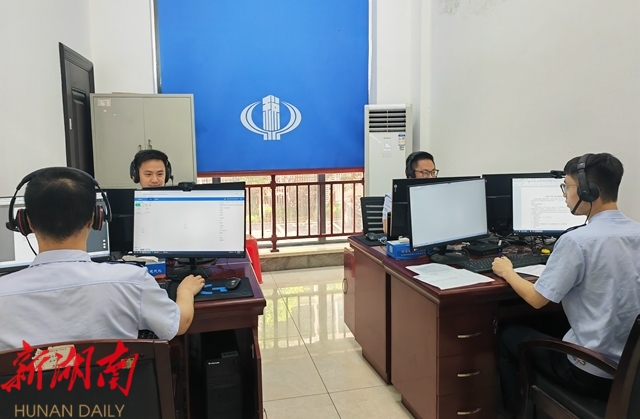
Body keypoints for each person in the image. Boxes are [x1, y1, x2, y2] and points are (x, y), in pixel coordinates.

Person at [491, 153, 640, 416]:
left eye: (566, 187)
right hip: (632, 374)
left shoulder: (577, 241)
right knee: (553, 323)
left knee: (507, 336)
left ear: (588, 191)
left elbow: (537, 299)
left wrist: (507, 272)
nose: (564, 195)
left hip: (592, 373)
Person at [0, 167, 204, 352]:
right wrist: (185, 292)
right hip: (116, 384)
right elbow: (179, 325)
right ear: (95, 219)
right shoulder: (132, 281)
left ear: (25, 223)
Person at [382, 151, 438, 234]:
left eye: (433, 172)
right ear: (410, 174)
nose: (431, 177)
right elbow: (387, 229)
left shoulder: (439, 194)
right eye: (425, 173)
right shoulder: (393, 196)